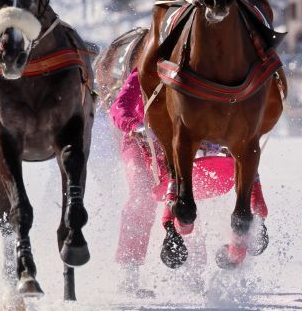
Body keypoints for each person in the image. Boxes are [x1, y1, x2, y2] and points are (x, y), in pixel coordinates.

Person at [109, 68, 268, 296]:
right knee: (141, 198)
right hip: (143, 144)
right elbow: (119, 107)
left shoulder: (203, 72)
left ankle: (191, 274)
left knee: (187, 202)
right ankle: (129, 275)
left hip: (178, 148)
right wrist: (136, 126)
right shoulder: (147, 69)